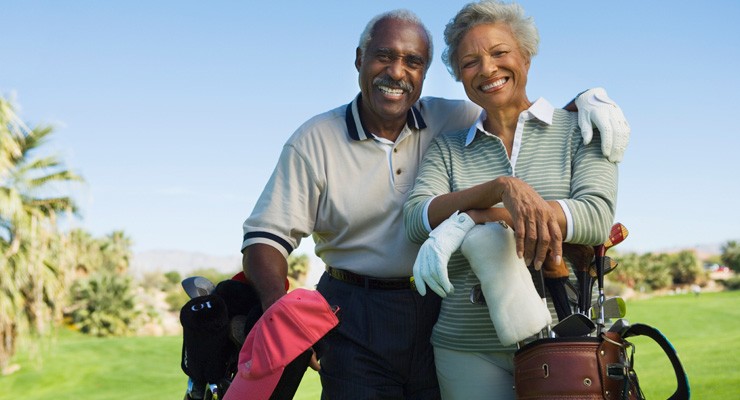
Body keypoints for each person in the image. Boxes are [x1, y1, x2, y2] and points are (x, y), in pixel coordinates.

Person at [240, 8, 627, 400]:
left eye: (413, 61)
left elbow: (519, 111)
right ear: (359, 59)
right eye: (383, 56)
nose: (396, 72)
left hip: (431, 303)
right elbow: (266, 237)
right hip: (354, 310)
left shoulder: (453, 116)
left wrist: (589, 98)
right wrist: (278, 310)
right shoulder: (317, 139)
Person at [403, 1, 619, 399]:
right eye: (469, 62)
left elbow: (594, 217)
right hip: (465, 347)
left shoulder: (580, 129)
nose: (487, 69)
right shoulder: (449, 148)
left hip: (563, 340)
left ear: (526, 56)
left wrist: (470, 218)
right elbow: (416, 219)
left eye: (500, 53)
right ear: (459, 75)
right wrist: (500, 189)